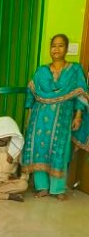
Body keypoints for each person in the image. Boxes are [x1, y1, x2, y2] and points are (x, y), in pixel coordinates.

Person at [22, 33, 89, 201]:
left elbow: (81, 95)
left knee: (60, 150)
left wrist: (78, 116)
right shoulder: (41, 71)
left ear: (66, 49)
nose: (56, 49)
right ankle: (42, 187)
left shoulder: (74, 70)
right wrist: (29, 117)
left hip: (62, 117)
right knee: (39, 149)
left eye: (60, 46)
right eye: (53, 46)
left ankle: (58, 189)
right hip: (39, 117)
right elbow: (31, 94)